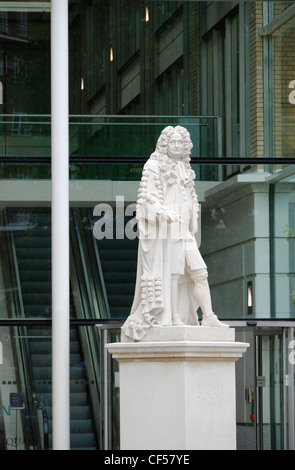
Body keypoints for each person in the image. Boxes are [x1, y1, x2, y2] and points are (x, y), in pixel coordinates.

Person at [121, 125, 228, 341]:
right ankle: (173, 317)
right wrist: (162, 212)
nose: (177, 146)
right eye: (173, 142)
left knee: (199, 271)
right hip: (166, 229)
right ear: (164, 144)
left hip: (183, 231)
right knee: (174, 273)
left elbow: (190, 198)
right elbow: (146, 199)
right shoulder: (153, 165)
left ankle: (207, 315)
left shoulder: (185, 168)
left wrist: (192, 214)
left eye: (181, 142)